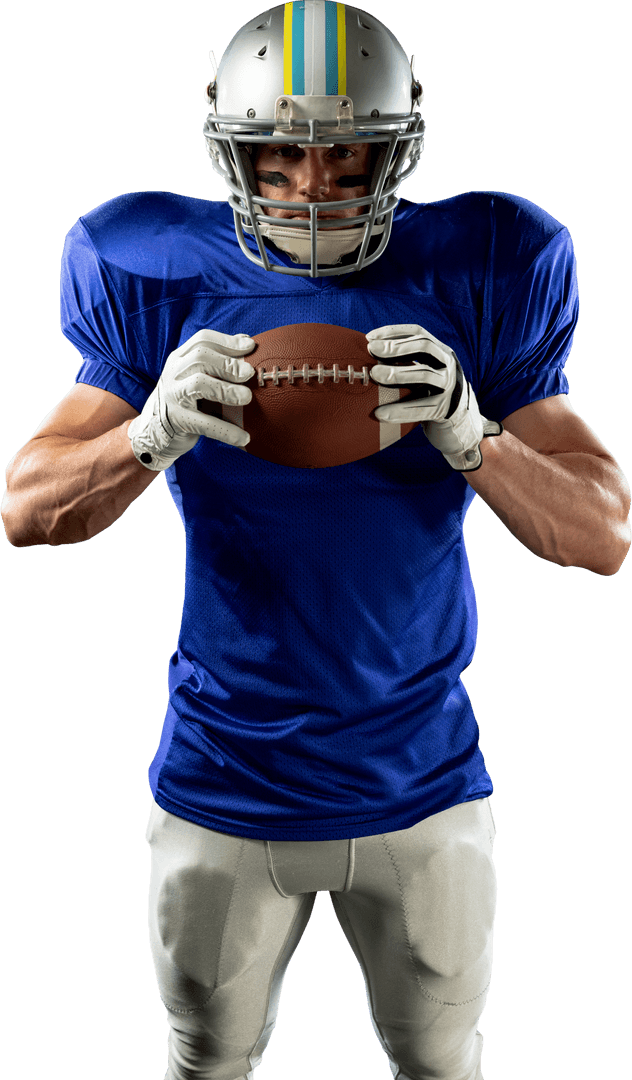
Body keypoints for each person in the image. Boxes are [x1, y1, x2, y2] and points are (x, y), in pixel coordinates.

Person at [1, 3, 630, 1079]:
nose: (307, 189)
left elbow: (602, 534)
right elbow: (26, 507)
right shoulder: (151, 263)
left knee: (443, 1065)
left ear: (399, 146)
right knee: (205, 1063)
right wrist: (146, 435)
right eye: (276, 158)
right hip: (222, 773)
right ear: (224, 148)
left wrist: (474, 437)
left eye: (343, 157)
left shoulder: (487, 259)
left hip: (421, 780)